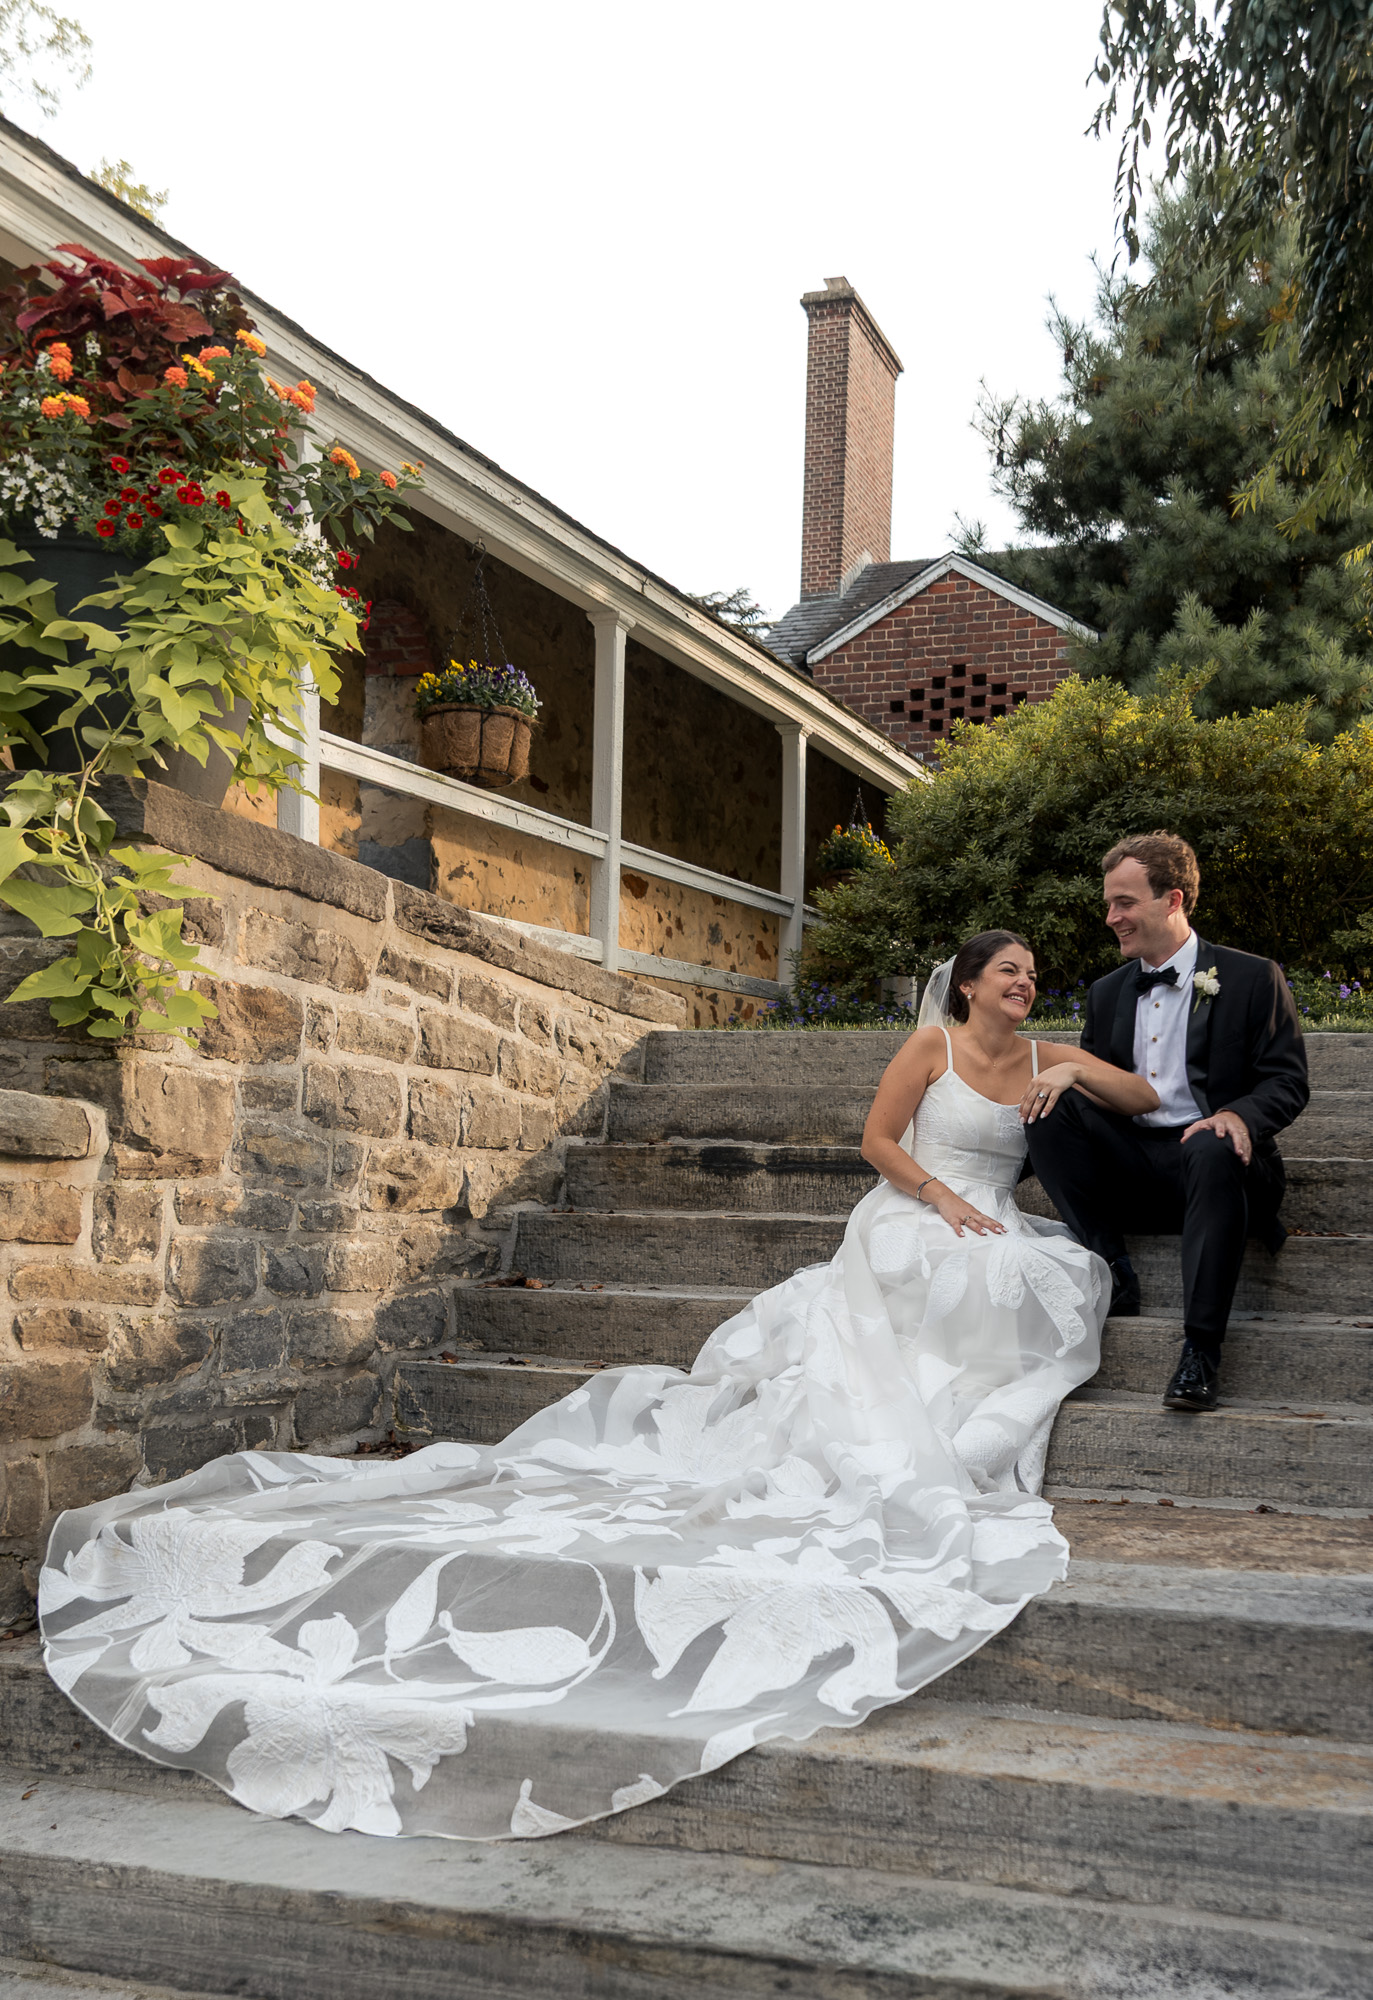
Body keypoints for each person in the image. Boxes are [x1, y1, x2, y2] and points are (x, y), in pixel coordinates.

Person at [39, 932, 1154, 1846]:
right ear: (967, 986)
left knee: (1043, 1278)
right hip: (914, 1206)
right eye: (1006, 972)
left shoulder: (1040, 1051)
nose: (1023, 984)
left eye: (1029, 974)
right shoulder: (929, 1043)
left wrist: (1065, 1071)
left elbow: (1143, 1090)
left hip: (994, 1215)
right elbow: (873, 1138)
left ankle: (952, 1407)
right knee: (944, 1268)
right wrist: (936, 1196)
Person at [1025, 831, 1309, 1415]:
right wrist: (1067, 1077)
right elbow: (1101, 1088)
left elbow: (1287, 1081)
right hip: (1135, 1165)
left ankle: (1200, 1351)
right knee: (1053, 1104)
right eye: (1109, 903)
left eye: (1124, 902)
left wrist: (1237, 1115)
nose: (1111, 917)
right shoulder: (1107, 993)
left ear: (1172, 899)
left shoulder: (1252, 977)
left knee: (1210, 1141)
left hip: (1222, 1169)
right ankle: (1112, 1268)